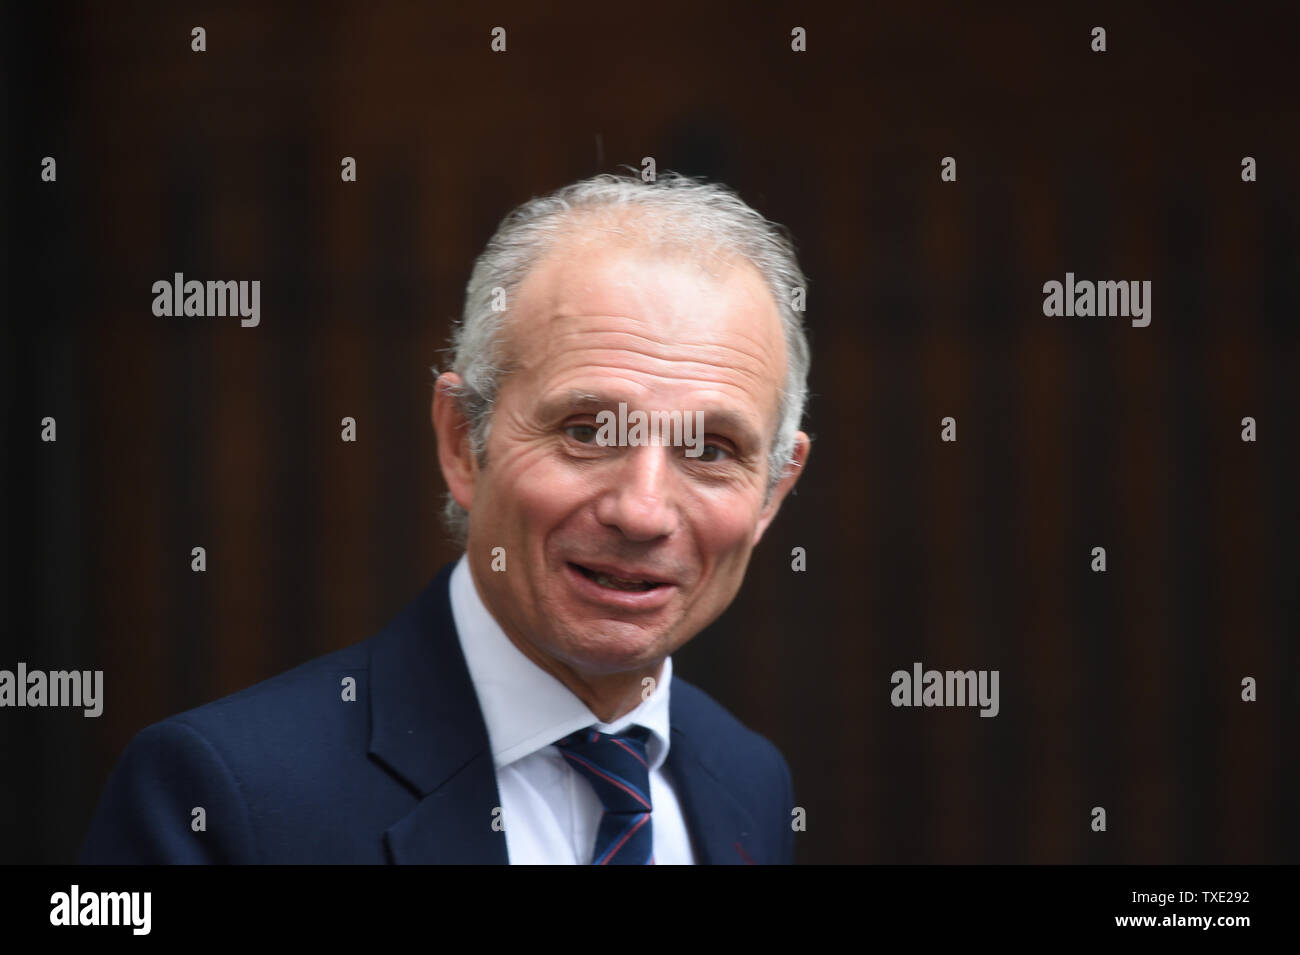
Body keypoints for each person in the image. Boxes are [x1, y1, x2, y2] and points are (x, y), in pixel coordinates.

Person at [80, 172, 812, 864]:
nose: (643, 509)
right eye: (587, 430)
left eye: (711, 449)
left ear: (773, 491)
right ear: (465, 441)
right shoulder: (224, 797)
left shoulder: (749, 781)